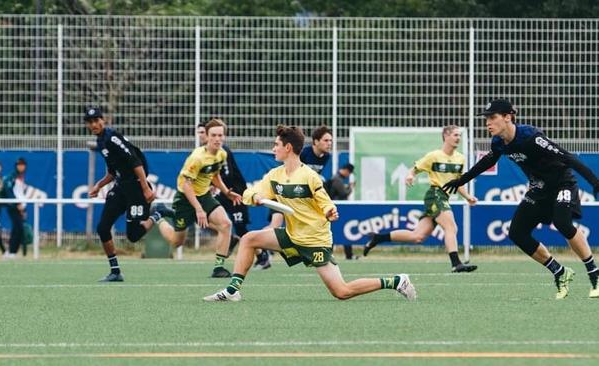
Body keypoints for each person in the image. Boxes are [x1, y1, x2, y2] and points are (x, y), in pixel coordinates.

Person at [203, 125, 416, 302]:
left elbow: (325, 203)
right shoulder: (274, 174)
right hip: (291, 234)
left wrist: (329, 211)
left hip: (315, 240)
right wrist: (255, 196)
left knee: (342, 292)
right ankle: (232, 291)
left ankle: (397, 281)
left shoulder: (309, 176)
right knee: (249, 239)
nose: (273, 148)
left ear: (287, 148)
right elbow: (251, 192)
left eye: (276, 145)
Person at [443, 99, 599, 299]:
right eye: (486, 119)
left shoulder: (531, 137)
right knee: (517, 233)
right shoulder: (499, 142)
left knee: (563, 224)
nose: (487, 123)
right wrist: (460, 180)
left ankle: (594, 274)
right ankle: (559, 272)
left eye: (492, 117)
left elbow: (566, 157)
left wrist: (594, 181)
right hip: (538, 189)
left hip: (562, 183)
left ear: (508, 117)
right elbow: (488, 160)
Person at [363, 125, 478, 273]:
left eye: (459, 136)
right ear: (446, 136)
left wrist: (468, 197)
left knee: (417, 236)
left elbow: (458, 182)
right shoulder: (434, 156)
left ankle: (378, 238)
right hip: (435, 195)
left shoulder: (460, 158)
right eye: (455, 135)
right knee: (451, 227)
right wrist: (410, 175)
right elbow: (415, 169)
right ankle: (456, 263)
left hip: (444, 197)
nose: (458, 138)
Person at [85, 107, 171, 282]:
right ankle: (115, 271)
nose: (94, 124)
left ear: (103, 120)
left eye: (96, 120)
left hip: (136, 188)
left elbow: (134, 160)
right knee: (102, 228)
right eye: (90, 122)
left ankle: (158, 213)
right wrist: (99, 186)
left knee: (133, 236)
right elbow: (112, 171)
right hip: (121, 187)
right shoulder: (101, 141)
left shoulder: (112, 137)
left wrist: (146, 188)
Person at [153, 118, 242, 277]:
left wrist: (227, 192)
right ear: (206, 137)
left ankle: (218, 268)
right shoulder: (197, 157)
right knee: (176, 242)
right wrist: (199, 210)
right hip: (185, 198)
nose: (217, 139)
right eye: (213, 135)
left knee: (225, 224)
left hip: (204, 195)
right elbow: (187, 185)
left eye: (220, 135)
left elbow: (214, 174)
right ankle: (160, 215)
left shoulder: (222, 154)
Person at [254, 126, 334, 268]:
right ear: (315, 142)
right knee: (275, 224)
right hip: (284, 193)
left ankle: (267, 248)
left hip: (298, 199)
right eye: (326, 140)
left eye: (331, 141)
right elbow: (289, 169)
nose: (329, 143)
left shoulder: (326, 157)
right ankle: (263, 249)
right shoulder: (304, 153)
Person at [196, 121, 249, 255]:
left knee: (241, 228)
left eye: (202, 132)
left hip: (234, 192)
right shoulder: (201, 153)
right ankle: (228, 235)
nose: (200, 135)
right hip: (223, 192)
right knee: (202, 217)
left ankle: (262, 256)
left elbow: (227, 174)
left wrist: (213, 185)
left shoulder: (222, 151)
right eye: (199, 132)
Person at [326, 163, 358, 260]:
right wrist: (351, 188)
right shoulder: (337, 179)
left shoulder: (336, 178)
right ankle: (345, 255)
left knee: (337, 231)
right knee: (338, 231)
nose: (349, 175)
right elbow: (343, 194)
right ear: (346, 170)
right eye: (349, 173)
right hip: (336, 208)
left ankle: (348, 254)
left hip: (335, 209)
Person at [3, 157, 29, 257]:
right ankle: (12, 252)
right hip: (14, 207)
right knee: (18, 228)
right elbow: (9, 190)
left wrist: (23, 207)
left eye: (22, 165)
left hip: (21, 206)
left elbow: (20, 193)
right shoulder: (12, 176)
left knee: (18, 229)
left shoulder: (21, 176)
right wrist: (17, 204)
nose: (21, 167)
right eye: (19, 165)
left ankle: (11, 252)